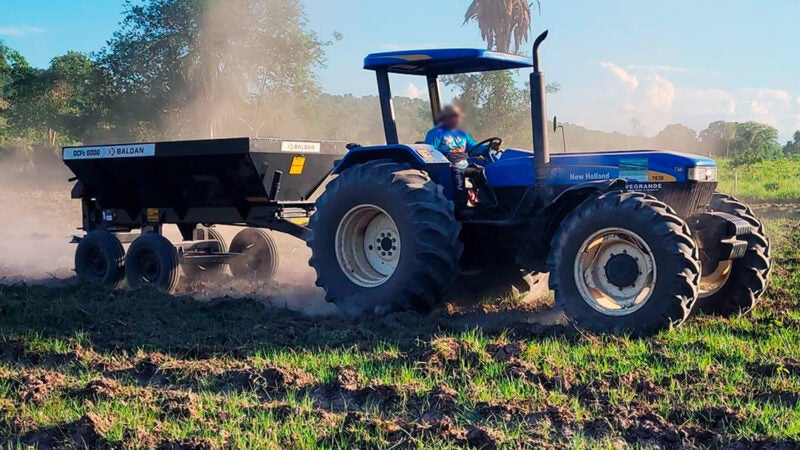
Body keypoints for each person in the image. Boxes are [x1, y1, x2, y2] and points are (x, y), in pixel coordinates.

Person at [424, 105, 496, 210]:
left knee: (480, 172)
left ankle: (489, 204)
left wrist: (488, 147)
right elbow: (430, 150)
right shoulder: (436, 133)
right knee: (458, 175)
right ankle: (461, 207)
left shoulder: (463, 134)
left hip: (464, 163)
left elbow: (474, 147)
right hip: (447, 166)